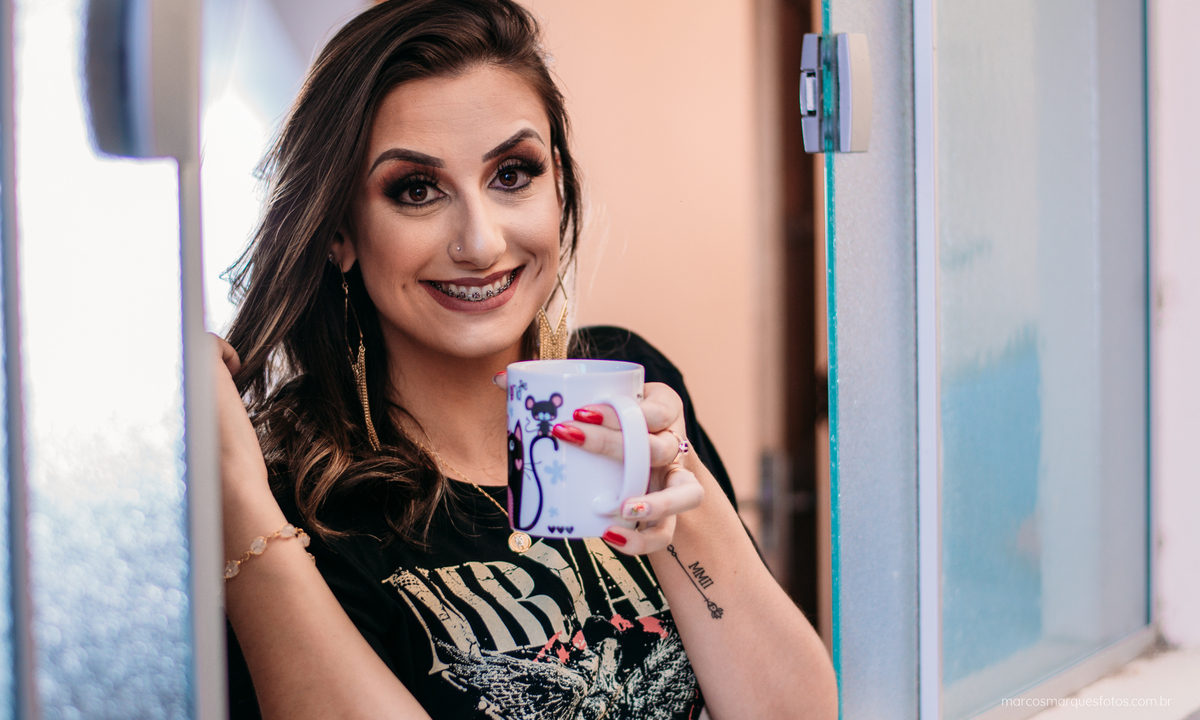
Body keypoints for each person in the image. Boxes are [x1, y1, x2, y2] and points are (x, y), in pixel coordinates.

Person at [215, 1, 838, 718]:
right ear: (340, 233)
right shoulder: (299, 497)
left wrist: (682, 490)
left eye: (512, 174)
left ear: (559, 187)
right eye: (417, 190)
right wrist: (236, 498)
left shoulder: (630, 384)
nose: (481, 243)